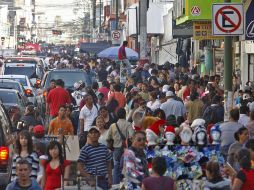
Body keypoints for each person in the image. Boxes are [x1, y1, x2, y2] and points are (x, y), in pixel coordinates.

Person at [107, 108, 134, 184]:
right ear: (125, 114)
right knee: (127, 166)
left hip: (116, 149)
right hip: (126, 148)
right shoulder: (128, 124)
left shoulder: (113, 125)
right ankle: (127, 183)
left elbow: (108, 138)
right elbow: (132, 135)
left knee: (116, 166)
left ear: (117, 115)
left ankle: (116, 184)